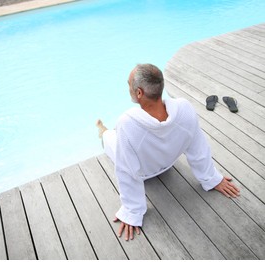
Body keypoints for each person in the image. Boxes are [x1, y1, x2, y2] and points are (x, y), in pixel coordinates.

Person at [96, 63, 240, 241]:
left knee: (111, 137)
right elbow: (198, 147)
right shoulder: (184, 109)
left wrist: (132, 211)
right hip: (168, 163)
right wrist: (211, 178)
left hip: (144, 172)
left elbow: (127, 171)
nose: (128, 88)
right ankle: (104, 130)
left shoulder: (128, 123)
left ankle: (102, 131)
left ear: (139, 93)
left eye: (129, 84)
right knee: (122, 137)